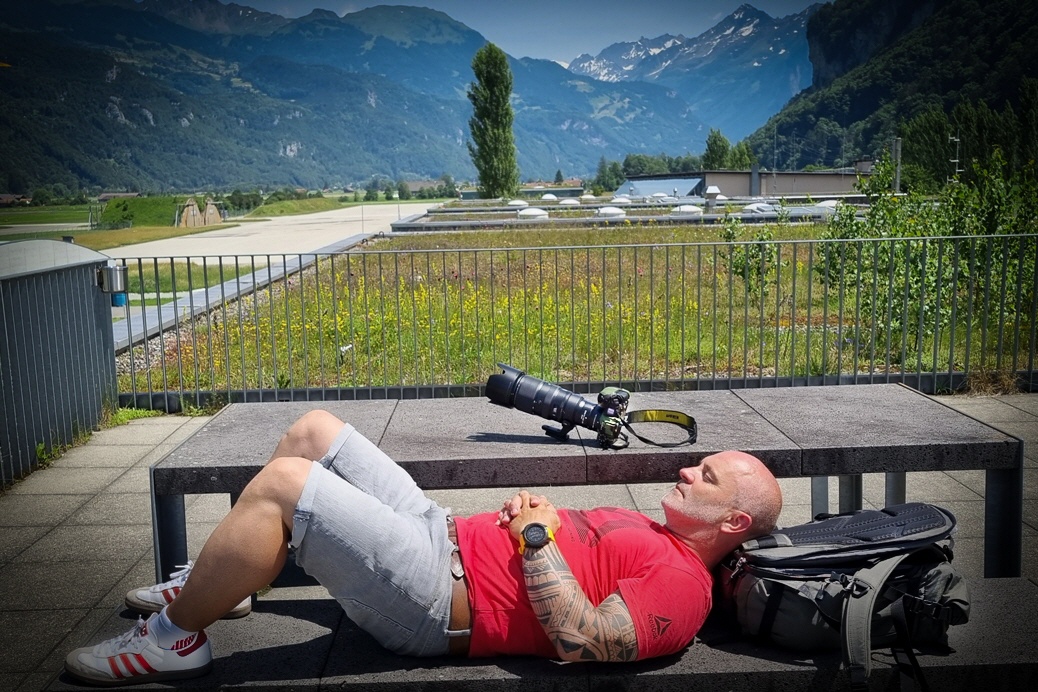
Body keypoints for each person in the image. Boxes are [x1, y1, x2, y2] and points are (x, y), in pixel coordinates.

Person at [65, 409, 782, 686]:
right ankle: (223, 582)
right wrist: (530, 519)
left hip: (437, 601)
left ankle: (175, 637)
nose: (688, 470)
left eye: (707, 476)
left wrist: (534, 536)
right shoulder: (657, 532)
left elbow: (583, 641)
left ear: (732, 524)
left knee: (288, 485)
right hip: (438, 534)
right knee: (315, 432)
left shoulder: (684, 587)